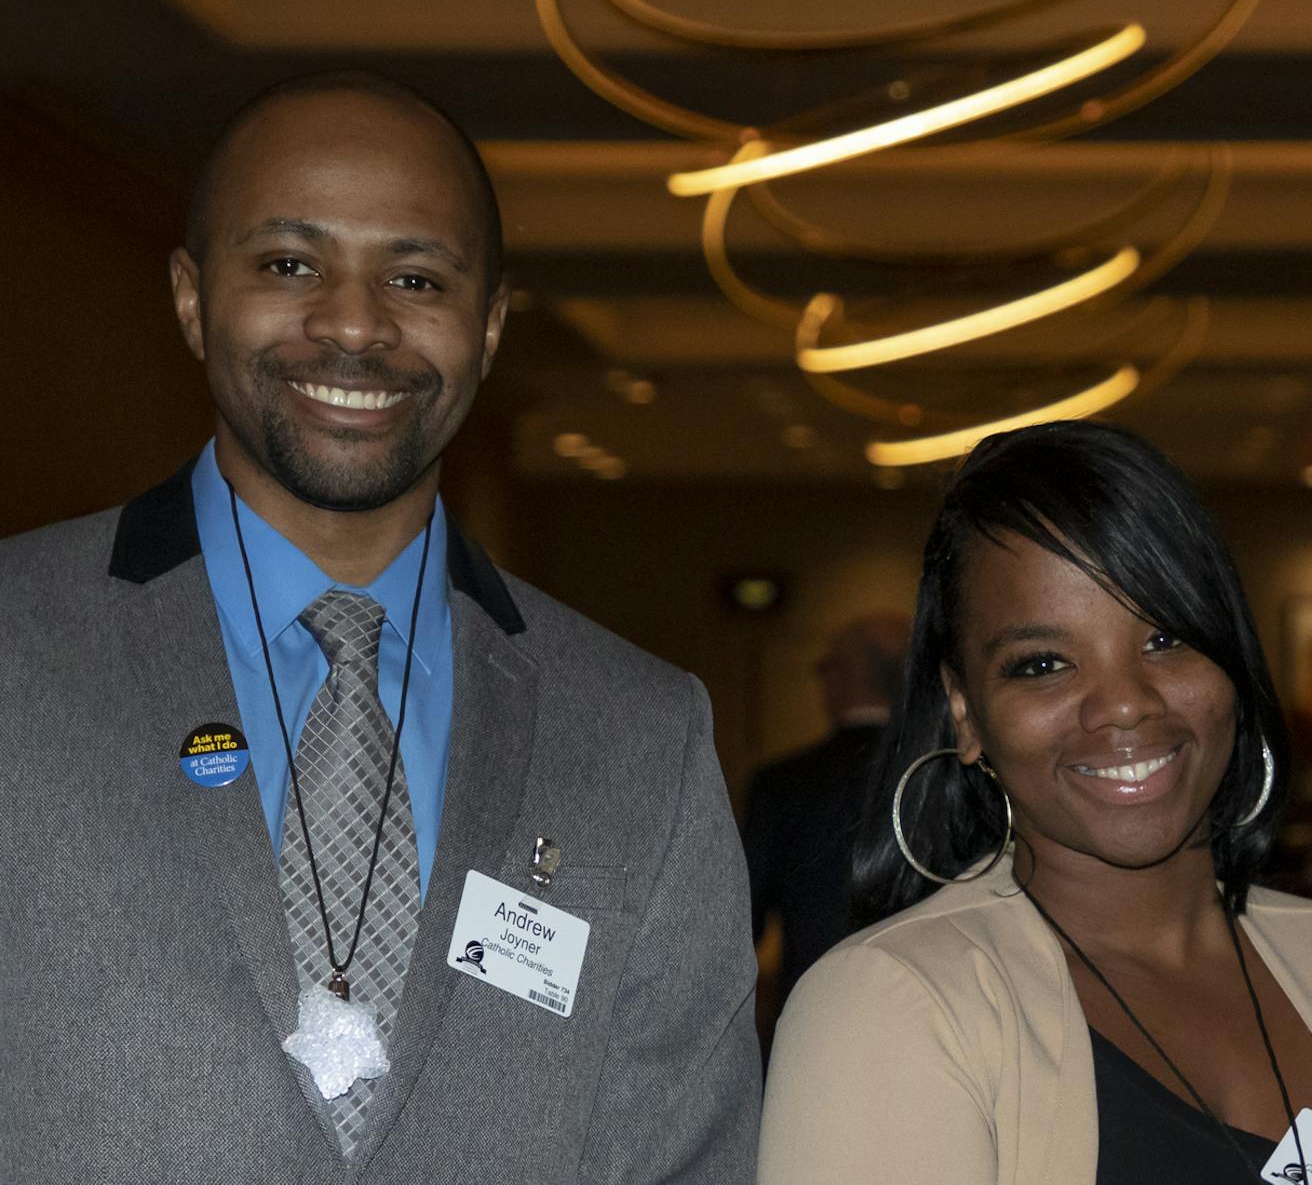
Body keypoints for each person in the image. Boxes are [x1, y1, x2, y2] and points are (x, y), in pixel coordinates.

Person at [0, 72, 761, 1182]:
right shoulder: (19, 647)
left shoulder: (641, 736)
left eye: (416, 277)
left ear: (489, 328)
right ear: (189, 296)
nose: (355, 324)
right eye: (290, 265)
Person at [759, 421, 1312, 1185]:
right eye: (1042, 664)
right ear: (965, 711)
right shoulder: (892, 1009)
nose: (1126, 705)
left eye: (1166, 640)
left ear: (1232, 661)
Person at [743, 613, 911, 1007]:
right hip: (923, 1015)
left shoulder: (783, 784)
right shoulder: (947, 780)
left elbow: (740, 923)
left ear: (842, 676)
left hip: (811, 1007)